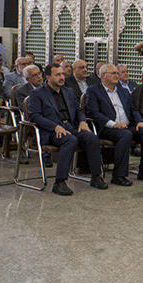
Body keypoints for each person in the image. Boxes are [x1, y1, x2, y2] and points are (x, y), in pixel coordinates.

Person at [28, 63, 108, 196]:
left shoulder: (68, 91)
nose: (62, 77)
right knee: (70, 140)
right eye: (57, 75)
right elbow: (34, 116)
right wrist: (55, 126)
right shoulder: (37, 94)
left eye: (62, 74)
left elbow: (78, 109)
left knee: (92, 138)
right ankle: (59, 182)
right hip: (51, 131)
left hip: (70, 127)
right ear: (48, 77)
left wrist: (82, 121)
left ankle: (96, 177)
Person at [85, 64, 143, 184]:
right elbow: (93, 113)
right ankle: (118, 175)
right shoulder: (93, 90)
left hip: (127, 126)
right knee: (125, 134)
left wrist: (140, 121)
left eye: (117, 73)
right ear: (103, 76)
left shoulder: (123, 91)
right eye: (114, 73)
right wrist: (113, 124)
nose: (117, 75)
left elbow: (133, 110)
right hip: (107, 128)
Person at [16, 65, 53, 168]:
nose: (39, 77)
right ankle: (45, 154)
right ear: (28, 79)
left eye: (39, 74)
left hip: (49, 116)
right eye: (34, 75)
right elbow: (25, 109)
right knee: (43, 124)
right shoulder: (21, 91)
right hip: (33, 117)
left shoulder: (48, 87)